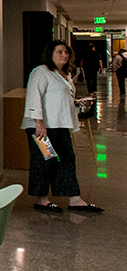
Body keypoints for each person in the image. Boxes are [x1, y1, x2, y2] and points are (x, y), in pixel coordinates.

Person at [23, 41, 102, 213]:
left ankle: (74, 198)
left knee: (67, 160)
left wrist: (75, 102)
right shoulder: (41, 72)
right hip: (42, 127)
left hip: (60, 125)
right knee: (45, 161)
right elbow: (34, 97)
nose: (64, 55)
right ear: (50, 54)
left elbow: (58, 98)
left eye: (66, 52)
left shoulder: (64, 74)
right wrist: (39, 123)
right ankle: (41, 199)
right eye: (59, 52)